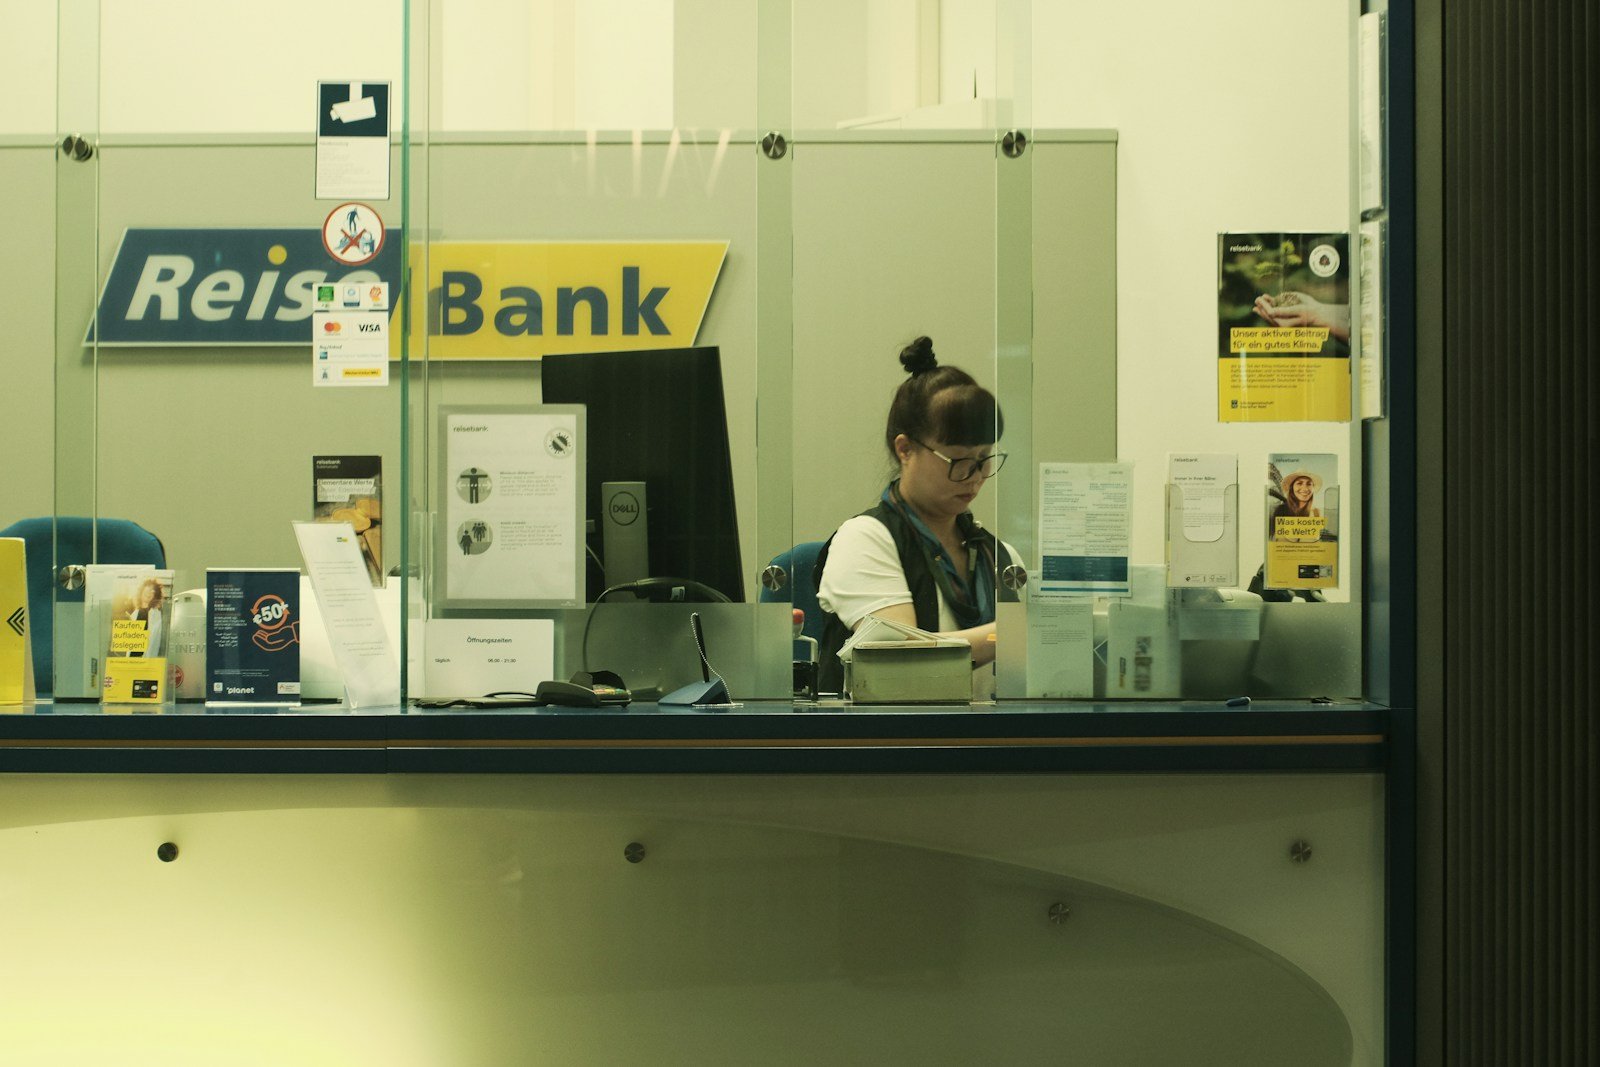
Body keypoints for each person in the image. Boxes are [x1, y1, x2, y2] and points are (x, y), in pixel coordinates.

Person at [814, 336, 1018, 694]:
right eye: (958, 460)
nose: (974, 476)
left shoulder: (998, 555)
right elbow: (903, 657)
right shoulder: (864, 539)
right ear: (905, 449)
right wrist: (1014, 634)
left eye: (984, 458)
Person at [128, 577, 165, 658]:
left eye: (152, 591)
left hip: (147, 660)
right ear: (141, 592)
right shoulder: (134, 614)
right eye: (147, 590)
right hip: (131, 659)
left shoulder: (157, 616)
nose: (149, 593)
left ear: (155, 595)